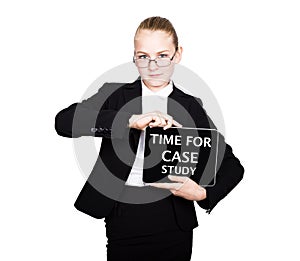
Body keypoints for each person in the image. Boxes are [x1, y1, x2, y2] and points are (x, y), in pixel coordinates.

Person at [55, 16, 244, 261]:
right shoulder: (115, 95)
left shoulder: (191, 107)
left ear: (177, 55)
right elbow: (64, 122)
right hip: (123, 215)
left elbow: (232, 165)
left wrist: (203, 194)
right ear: (134, 57)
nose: (153, 66)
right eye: (143, 56)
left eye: (162, 55)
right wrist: (127, 120)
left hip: (174, 220)